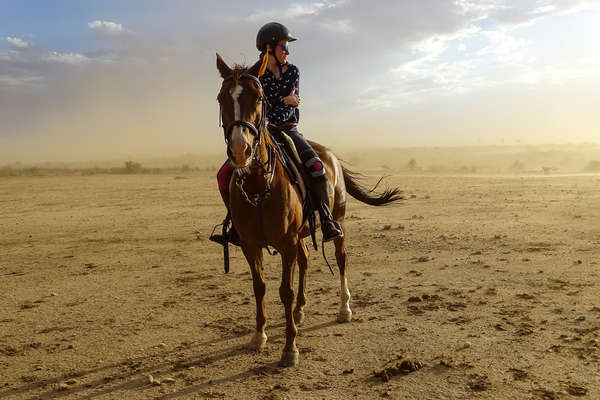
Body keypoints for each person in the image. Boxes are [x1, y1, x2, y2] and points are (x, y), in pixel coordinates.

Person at [210, 22, 343, 246]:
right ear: (269, 48)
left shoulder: (293, 71)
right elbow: (254, 107)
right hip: (262, 132)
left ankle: (327, 220)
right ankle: (234, 224)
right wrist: (283, 100)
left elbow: (292, 106)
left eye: (287, 47)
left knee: (317, 167)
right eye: (284, 46)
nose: (287, 51)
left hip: (289, 129)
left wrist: (278, 105)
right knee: (224, 175)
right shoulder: (256, 77)